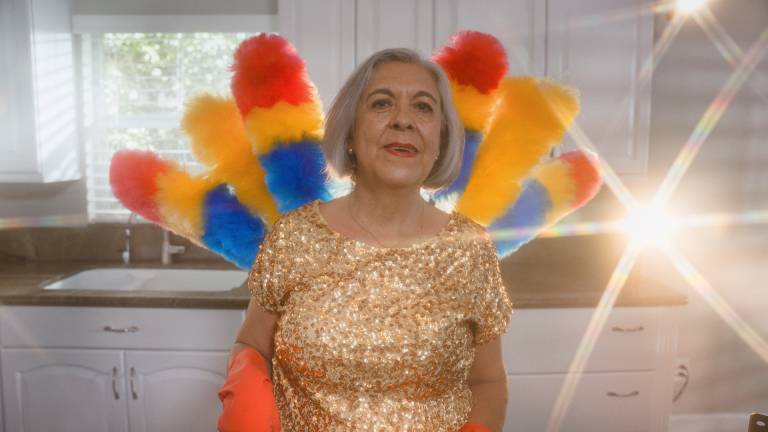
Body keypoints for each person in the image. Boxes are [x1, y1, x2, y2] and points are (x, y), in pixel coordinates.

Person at [221, 47, 514, 432]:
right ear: (351, 132)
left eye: (423, 107)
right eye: (382, 104)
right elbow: (253, 345)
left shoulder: (470, 248)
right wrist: (246, 394)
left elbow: (488, 382)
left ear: (440, 138)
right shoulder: (294, 238)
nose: (404, 121)